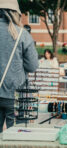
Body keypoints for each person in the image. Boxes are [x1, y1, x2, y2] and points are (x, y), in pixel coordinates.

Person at [0, 0, 38, 132]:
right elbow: (32, 66)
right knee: (15, 137)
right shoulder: (22, 35)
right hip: (15, 94)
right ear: (16, 13)